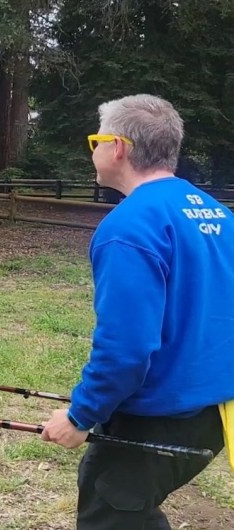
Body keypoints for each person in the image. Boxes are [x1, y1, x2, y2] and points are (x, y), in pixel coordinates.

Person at [40, 94, 234, 529]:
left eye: (97, 140)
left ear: (120, 147)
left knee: (110, 515)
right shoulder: (216, 213)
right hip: (214, 414)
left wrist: (79, 415)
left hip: (159, 419)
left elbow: (126, 347)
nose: (94, 150)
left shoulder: (130, 227)